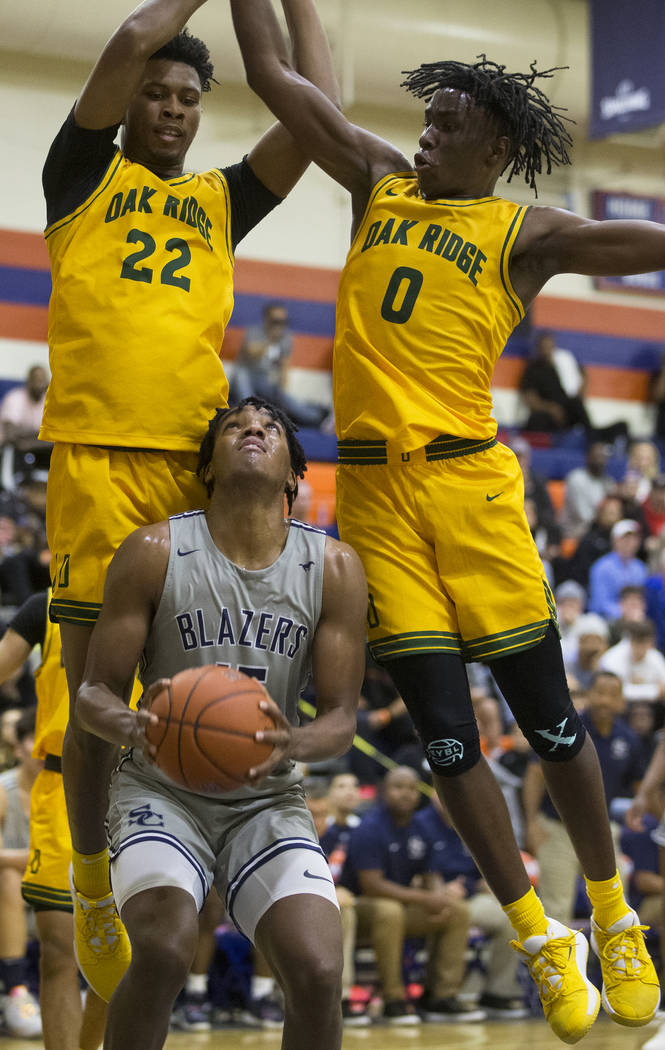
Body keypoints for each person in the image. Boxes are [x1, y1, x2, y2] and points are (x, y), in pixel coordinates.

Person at [230, 7, 665, 1041]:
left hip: (469, 489)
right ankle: (535, 937)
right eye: (422, 120)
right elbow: (272, 77)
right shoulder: (376, 181)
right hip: (375, 498)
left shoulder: (527, 234)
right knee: (440, 737)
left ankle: (609, 916)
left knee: (549, 721)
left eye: (445, 123)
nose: (422, 134)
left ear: (496, 147)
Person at [39, 0, 340, 1004]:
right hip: (95, 461)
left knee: (197, 698)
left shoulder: (218, 200)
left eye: (186, 100)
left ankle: (200, 865)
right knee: (93, 687)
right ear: (127, 105)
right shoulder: (82, 176)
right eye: (157, 96)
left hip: (189, 470)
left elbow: (314, 117)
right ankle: (89, 883)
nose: (170, 110)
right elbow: (130, 39)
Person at [73, 397, 367, 1050]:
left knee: (319, 969)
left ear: (296, 476)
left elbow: (342, 722)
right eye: (234, 426)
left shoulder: (336, 568)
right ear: (207, 468)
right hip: (161, 789)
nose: (252, 430)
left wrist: (293, 741)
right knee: (165, 948)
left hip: (266, 796)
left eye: (268, 427)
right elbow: (93, 693)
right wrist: (135, 726)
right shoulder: (154, 549)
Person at [0, 593, 108, 1050]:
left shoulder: (171, 589)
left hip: (146, 785)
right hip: (63, 782)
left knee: (126, 955)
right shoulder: (46, 604)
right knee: (60, 952)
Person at [339, 765, 481, 1025]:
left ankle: (441, 997)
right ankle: (394, 999)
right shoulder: (370, 827)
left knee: (457, 911)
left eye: (412, 789)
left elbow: (429, 873)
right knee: (389, 910)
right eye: (398, 787)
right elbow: (372, 885)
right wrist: (426, 899)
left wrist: (439, 896)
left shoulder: (420, 827)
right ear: (384, 791)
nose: (406, 794)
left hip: (402, 905)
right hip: (360, 906)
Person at [523, 671, 645, 925]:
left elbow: (640, 786)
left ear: (622, 701)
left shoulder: (629, 738)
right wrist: (531, 822)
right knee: (557, 910)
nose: (605, 701)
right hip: (558, 829)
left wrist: (644, 811)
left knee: (617, 906)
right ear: (589, 694)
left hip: (603, 830)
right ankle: (560, 964)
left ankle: (616, 963)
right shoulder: (568, 728)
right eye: (600, 693)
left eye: (613, 695)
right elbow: (535, 774)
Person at [415, 794, 529, 1019]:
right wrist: (439, 891)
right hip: (431, 896)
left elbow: (481, 873)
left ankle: (497, 992)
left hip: (469, 894)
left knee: (511, 916)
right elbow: (415, 871)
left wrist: (491, 887)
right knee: (458, 913)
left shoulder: (468, 822)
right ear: (432, 793)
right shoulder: (420, 823)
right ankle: (443, 994)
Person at [0, 707, 42, 1039]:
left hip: (54, 897)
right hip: (11, 904)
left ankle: (88, 987)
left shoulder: (71, 791)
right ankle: (16, 991)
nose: (43, 748)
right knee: (9, 879)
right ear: (18, 748)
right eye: (34, 739)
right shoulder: (3, 790)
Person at [230, 302, 331, 428]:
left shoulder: (286, 338)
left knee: (285, 397)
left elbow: (284, 366)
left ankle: (318, 416)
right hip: (247, 373)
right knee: (241, 375)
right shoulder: (255, 331)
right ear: (267, 319)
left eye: (283, 321)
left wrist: (281, 392)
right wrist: (270, 340)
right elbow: (251, 352)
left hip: (265, 379)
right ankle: (249, 415)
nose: (279, 325)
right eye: (276, 321)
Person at [589, 519, 648, 621]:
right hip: (607, 620)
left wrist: (635, 611)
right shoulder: (602, 567)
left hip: (635, 617)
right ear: (614, 540)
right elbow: (599, 603)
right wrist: (623, 613)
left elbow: (643, 598)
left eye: (633, 538)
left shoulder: (641, 568)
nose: (629, 542)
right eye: (625, 538)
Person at [560, 443, 616, 541]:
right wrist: (607, 518)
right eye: (597, 456)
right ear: (588, 457)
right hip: (575, 531)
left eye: (603, 457)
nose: (601, 461)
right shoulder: (576, 479)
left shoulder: (608, 482)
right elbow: (584, 516)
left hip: (600, 531)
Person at [0, 365, 49, 447]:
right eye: (36, 379)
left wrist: (28, 439)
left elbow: (53, 434)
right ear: (28, 380)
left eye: (42, 380)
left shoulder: (49, 401)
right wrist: (40, 435)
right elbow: (11, 433)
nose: (39, 384)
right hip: (12, 448)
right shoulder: (14, 397)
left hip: (40, 449)